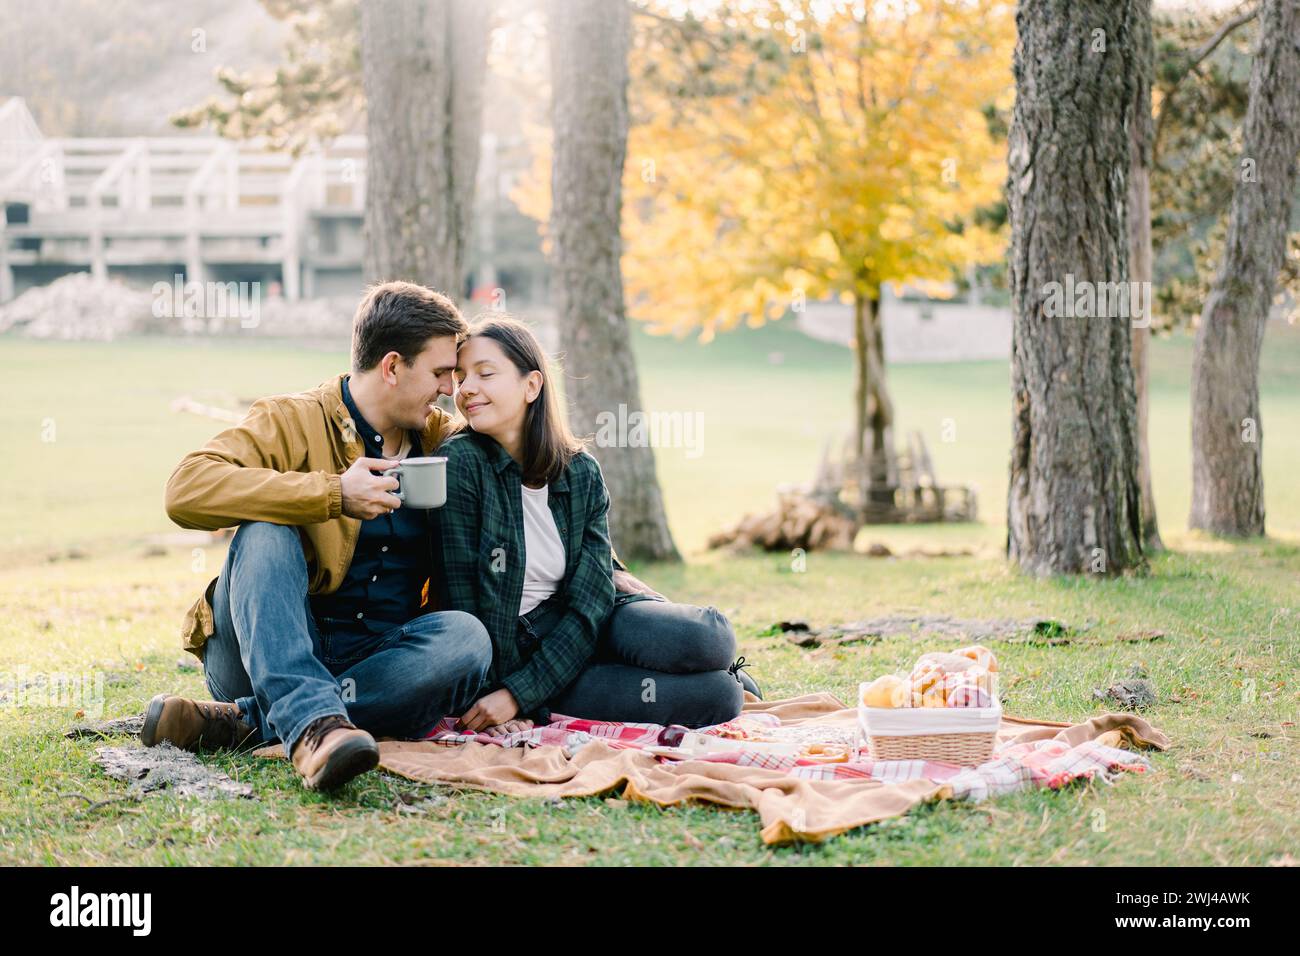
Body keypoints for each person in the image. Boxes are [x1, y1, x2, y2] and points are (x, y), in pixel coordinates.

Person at [143, 281, 494, 791]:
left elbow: (525, 474)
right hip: (261, 647)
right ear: (393, 367)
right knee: (265, 528)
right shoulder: (291, 418)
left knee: (467, 638)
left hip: (376, 658)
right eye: (441, 373)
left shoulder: (440, 437)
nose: (449, 389)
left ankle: (248, 720)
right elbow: (185, 489)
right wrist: (332, 493)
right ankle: (310, 724)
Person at [438, 316, 748, 734]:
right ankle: (613, 678)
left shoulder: (580, 471)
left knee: (710, 638)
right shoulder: (460, 464)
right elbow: (465, 603)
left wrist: (519, 695)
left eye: (484, 373)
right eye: (460, 378)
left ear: (532, 386)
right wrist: (514, 692)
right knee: (722, 697)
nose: (466, 388)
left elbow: (593, 594)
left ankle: (651, 663)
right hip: (526, 650)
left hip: (597, 620)